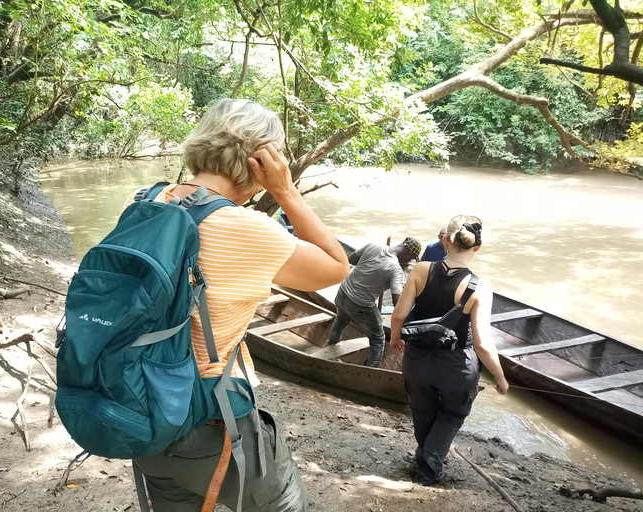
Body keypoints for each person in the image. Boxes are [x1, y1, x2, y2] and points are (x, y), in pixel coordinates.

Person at [127, 98, 350, 511]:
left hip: (137, 409)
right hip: (206, 422)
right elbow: (337, 267)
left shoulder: (144, 201)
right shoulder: (248, 229)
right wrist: (285, 191)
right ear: (260, 160)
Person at [389, 216, 509, 486]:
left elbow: (398, 316)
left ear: (445, 241)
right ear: (476, 247)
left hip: (417, 359)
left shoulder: (420, 270)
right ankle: (429, 471)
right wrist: (500, 378)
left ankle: (426, 456)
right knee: (452, 415)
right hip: (457, 365)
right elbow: (482, 344)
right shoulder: (481, 288)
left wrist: (395, 340)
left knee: (422, 409)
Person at [328, 237, 422, 367]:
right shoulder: (396, 269)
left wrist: (372, 270)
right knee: (378, 339)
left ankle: (329, 358)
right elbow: (397, 302)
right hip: (361, 304)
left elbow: (350, 260)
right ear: (409, 253)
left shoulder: (374, 246)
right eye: (412, 259)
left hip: (343, 293)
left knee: (339, 322)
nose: (410, 261)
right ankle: (370, 373)